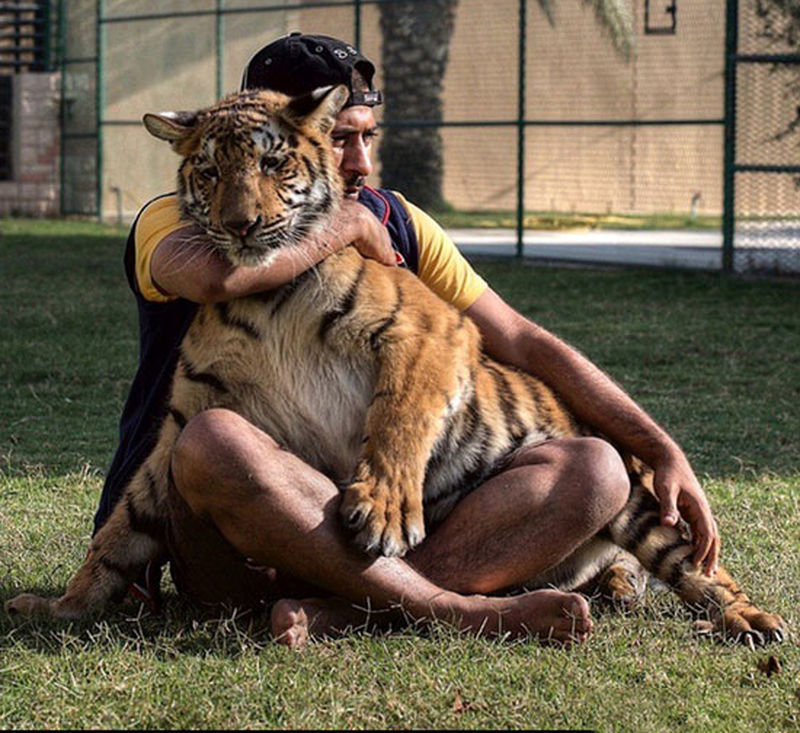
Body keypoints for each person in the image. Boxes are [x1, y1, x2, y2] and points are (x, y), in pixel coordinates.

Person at [96, 32, 719, 648]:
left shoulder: (395, 219)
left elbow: (522, 341)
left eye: (367, 136)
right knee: (214, 440)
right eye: (340, 138)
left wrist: (659, 448)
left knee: (595, 470)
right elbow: (212, 276)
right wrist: (343, 225)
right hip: (255, 523)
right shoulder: (174, 216)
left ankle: (355, 609)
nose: (361, 163)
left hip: (379, 528)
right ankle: (448, 607)